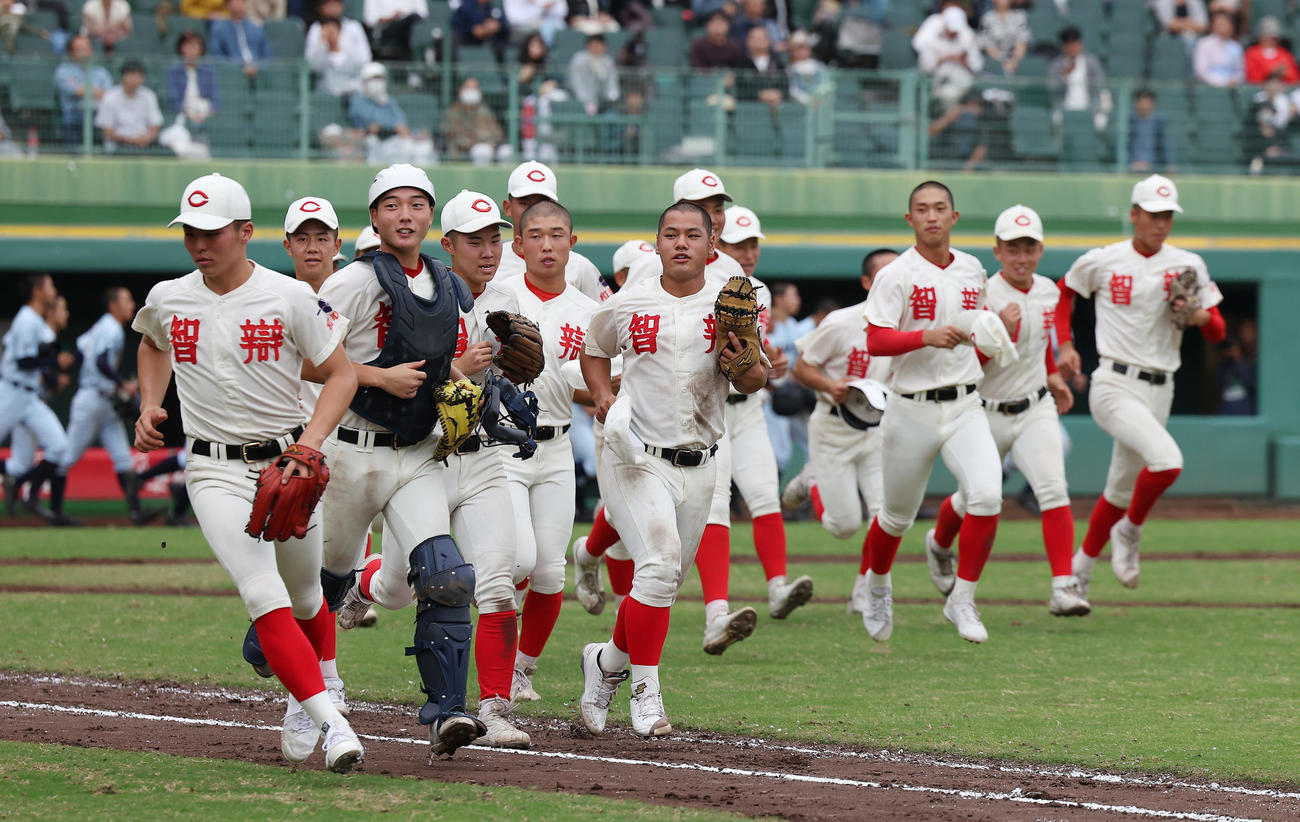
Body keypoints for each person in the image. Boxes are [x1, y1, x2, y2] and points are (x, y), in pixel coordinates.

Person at [132, 172, 363, 772]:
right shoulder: (170, 296)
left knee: (309, 594)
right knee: (263, 592)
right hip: (212, 470)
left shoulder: (288, 296)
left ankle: (320, 683)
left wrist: (309, 445)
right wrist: (150, 402)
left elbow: (341, 375)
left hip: (289, 462)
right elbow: (152, 342)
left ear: (245, 232)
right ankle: (332, 721)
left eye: (212, 232)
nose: (199, 244)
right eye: (190, 232)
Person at [576, 201, 769, 737]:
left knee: (658, 586)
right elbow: (594, 349)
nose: (680, 243)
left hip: (702, 460)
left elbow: (754, 383)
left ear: (713, 246)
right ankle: (646, 689)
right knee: (657, 566)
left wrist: (744, 357)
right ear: (656, 243)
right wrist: (601, 393)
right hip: (635, 456)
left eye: (692, 235)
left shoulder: (730, 302)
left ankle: (606, 663)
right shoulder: (630, 300)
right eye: (670, 234)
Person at [319, 164, 486, 759]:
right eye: (392, 205)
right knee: (323, 587)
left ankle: (449, 714)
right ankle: (286, 660)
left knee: (448, 577)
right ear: (374, 217)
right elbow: (310, 360)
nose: (406, 215)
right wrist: (375, 376)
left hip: (415, 452)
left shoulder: (448, 286)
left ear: (430, 215)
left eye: (417, 204)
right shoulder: (351, 283)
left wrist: (478, 382)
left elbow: (454, 365)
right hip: (349, 452)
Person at [859, 181, 1014, 644]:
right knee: (896, 517)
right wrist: (924, 335)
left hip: (966, 402)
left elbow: (977, 328)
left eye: (939, 208)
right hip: (911, 406)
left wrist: (992, 335)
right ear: (910, 220)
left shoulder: (971, 269)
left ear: (954, 216)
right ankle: (878, 584)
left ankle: (962, 599)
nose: (931, 216)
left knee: (987, 496)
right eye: (922, 209)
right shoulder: (896, 274)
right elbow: (876, 339)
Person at [1056, 175, 1226, 596]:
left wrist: (1199, 316)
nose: (1161, 224)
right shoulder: (1104, 260)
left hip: (1160, 387)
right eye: (1153, 215)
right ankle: (1130, 530)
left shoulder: (1188, 265)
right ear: (1134, 215)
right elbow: (1065, 291)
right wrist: (1064, 343)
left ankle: (1077, 573)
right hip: (1113, 382)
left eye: (1167, 216)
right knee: (1167, 461)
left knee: (1117, 488)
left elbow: (1219, 332)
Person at [925, 205, 1088, 618]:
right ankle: (939, 544)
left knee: (1053, 489)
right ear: (997, 251)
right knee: (972, 499)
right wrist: (1001, 333)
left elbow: (1040, 348)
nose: (1022, 256)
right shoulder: (982, 294)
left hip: (1035, 407)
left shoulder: (1049, 291)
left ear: (1040, 249)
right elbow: (966, 366)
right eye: (1013, 248)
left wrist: (1052, 377)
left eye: (1029, 247)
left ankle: (1062, 587)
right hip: (984, 411)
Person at [432, 189, 532, 748]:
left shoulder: (507, 296)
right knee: (413, 587)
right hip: (428, 458)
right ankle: (368, 582)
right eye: (475, 240)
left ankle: (493, 709)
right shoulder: (425, 295)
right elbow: (405, 371)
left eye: (494, 237)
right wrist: (457, 369)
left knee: (496, 584)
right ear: (448, 245)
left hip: (485, 459)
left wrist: (515, 385)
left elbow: (513, 374)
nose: (489, 249)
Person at [690, 204, 808, 653]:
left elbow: (759, 349)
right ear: (718, 237)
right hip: (709, 409)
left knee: (764, 492)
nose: (749, 251)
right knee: (715, 506)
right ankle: (715, 615)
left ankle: (777, 587)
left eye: (753, 243)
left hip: (749, 406)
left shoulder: (753, 287)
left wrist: (771, 359)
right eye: (740, 243)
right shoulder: (693, 278)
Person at [498, 200, 598, 703]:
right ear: (518, 245)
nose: (546, 244)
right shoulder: (500, 298)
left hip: (557, 444)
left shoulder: (590, 312)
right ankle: (496, 658)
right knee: (517, 559)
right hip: (502, 444)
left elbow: (600, 382)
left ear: (571, 243)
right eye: (534, 235)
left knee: (549, 570)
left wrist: (607, 397)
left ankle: (521, 670)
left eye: (557, 234)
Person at [55, 286, 161, 525]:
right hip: (92, 398)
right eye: (126, 300)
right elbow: (102, 361)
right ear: (114, 305)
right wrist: (122, 383)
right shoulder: (111, 328)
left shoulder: (100, 326)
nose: (131, 304)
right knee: (68, 455)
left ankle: (136, 513)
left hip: (103, 400)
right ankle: (54, 510)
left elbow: (81, 354)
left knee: (122, 458)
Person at [0, 277, 76, 525]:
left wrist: (51, 370)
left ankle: (26, 491)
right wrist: (55, 362)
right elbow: (23, 362)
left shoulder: (34, 320)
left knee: (59, 446)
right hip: (11, 391)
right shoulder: (26, 319)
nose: (53, 291)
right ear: (37, 290)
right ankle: (19, 484)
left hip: (30, 396)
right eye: (50, 287)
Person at [495, 161, 612, 302]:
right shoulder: (493, 262)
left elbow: (607, 316)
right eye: (524, 202)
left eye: (543, 202)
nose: (535, 211)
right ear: (508, 207)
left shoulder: (580, 267)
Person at [348, 62, 437, 166]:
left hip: (394, 139)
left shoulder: (389, 101)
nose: (377, 82)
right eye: (373, 79)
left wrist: (406, 131)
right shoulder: (358, 100)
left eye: (380, 78)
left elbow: (402, 123)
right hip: (373, 141)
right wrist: (394, 126)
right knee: (404, 148)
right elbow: (372, 122)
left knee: (424, 147)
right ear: (364, 81)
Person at [913, 4, 983, 108]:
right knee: (947, 94)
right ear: (945, 24)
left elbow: (977, 67)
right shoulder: (932, 40)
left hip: (962, 86)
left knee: (952, 94)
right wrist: (945, 58)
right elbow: (925, 68)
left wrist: (963, 61)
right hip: (934, 85)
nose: (954, 32)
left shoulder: (967, 38)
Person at [54, 34, 112, 146]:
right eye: (80, 49)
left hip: (99, 112)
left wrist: (85, 90)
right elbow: (74, 91)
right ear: (71, 53)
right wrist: (95, 92)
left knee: (108, 119)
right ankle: (73, 155)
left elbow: (109, 95)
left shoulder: (101, 72)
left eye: (87, 48)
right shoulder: (63, 71)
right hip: (74, 111)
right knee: (70, 120)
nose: (84, 52)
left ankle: (106, 154)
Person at [305, 0, 372, 97]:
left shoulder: (354, 27)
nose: (332, 9)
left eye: (335, 5)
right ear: (320, 8)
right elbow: (312, 65)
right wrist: (324, 45)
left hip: (354, 88)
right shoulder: (316, 29)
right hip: (325, 89)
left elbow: (365, 59)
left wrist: (338, 50)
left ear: (341, 7)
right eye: (328, 5)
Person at [1049, 26, 1109, 133]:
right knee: (1055, 122)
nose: (1073, 48)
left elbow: (1101, 83)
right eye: (1070, 45)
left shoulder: (1091, 62)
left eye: (1076, 44)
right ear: (1063, 47)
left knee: (1101, 123)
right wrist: (1064, 75)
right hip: (1064, 107)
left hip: (1090, 107)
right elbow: (1052, 88)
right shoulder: (1056, 65)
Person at [95, 60, 163, 152]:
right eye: (131, 75)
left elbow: (155, 125)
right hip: (117, 146)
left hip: (144, 145)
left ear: (143, 78)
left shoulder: (149, 96)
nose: (134, 79)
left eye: (138, 76)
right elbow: (107, 131)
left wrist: (147, 139)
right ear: (123, 77)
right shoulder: (110, 97)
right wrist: (131, 140)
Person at [443, 77, 512, 166]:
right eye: (469, 88)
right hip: (462, 152)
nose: (472, 91)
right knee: (482, 151)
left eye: (475, 88)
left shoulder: (484, 110)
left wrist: (492, 143)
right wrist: (475, 143)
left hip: (488, 146)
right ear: (461, 90)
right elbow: (454, 136)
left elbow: (497, 133)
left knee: (507, 151)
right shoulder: (453, 111)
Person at [166, 30, 219, 125]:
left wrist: (207, 113)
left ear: (201, 50)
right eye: (188, 46)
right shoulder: (173, 71)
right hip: (182, 115)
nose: (191, 51)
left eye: (195, 47)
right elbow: (173, 98)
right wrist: (187, 113)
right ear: (181, 48)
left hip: (204, 114)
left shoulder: (208, 71)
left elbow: (215, 98)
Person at [209, 0, 271, 77]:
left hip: (258, 74)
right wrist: (238, 68)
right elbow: (217, 56)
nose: (239, 4)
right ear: (228, 5)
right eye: (235, 1)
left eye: (242, 1)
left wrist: (257, 68)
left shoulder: (256, 28)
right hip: (231, 75)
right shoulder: (219, 29)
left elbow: (267, 56)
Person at [568, 33, 620, 116]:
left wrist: (611, 97)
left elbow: (612, 84)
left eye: (599, 45)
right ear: (588, 46)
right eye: (594, 45)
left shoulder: (608, 61)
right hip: (581, 100)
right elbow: (576, 82)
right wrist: (586, 101)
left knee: (612, 114)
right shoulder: (579, 59)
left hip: (604, 102)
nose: (597, 48)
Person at [1194, 10, 1243, 87]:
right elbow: (1201, 71)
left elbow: (1240, 72)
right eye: (1219, 24)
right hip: (1209, 88)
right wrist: (1223, 82)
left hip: (1231, 87)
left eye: (1225, 24)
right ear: (1213, 26)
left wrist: (1234, 80)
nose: (1222, 27)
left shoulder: (1235, 46)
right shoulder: (1204, 44)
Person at [1130, 89, 1175, 172]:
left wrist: (1170, 165)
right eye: (1141, 102)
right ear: (1135, 103)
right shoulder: (1129, 123)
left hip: (1154, 167)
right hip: (1132, 167)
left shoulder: (1159, 123)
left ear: (1153, 104)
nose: (1143, 105)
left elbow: (1165, 146)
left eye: (1146, 102)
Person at [737, 26, 785, 105]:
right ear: (747, 41)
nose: (758, 41)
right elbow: (739, 87)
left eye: (762, 38)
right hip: (748, 107)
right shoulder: (741, 62)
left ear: (768, 40)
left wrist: (778, 93)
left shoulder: (777, 61)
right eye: (755, 38)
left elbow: (785, 84)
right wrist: (759, 94)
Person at [978, 0, 1028, 76]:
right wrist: (1004, 61)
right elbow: (989, 46)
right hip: (994, 65)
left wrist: (1014, 60)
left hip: (1015, 63)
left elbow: (1022, 42)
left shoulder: (1020, 16)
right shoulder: (987, 18)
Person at [1243, 16, 1298, 84]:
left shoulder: (1284, 54)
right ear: (1260, 36)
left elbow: (1295, 78)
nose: (1270, 40)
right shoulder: (1252, 54)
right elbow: (1252, 78)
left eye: (1273, 38)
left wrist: (1285, 73)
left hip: (1282, 90)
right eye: (1267, 37)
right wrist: (1272, 72)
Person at [786, 30, 827, 106]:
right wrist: (808, 101)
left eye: (804, 47)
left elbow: (825, 84)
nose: (801, 50)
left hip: (819, 104)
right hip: (798, 107)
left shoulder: (819, 66)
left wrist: (817, 99)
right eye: (798, 47)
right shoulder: (788, 68)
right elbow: (793, 90)